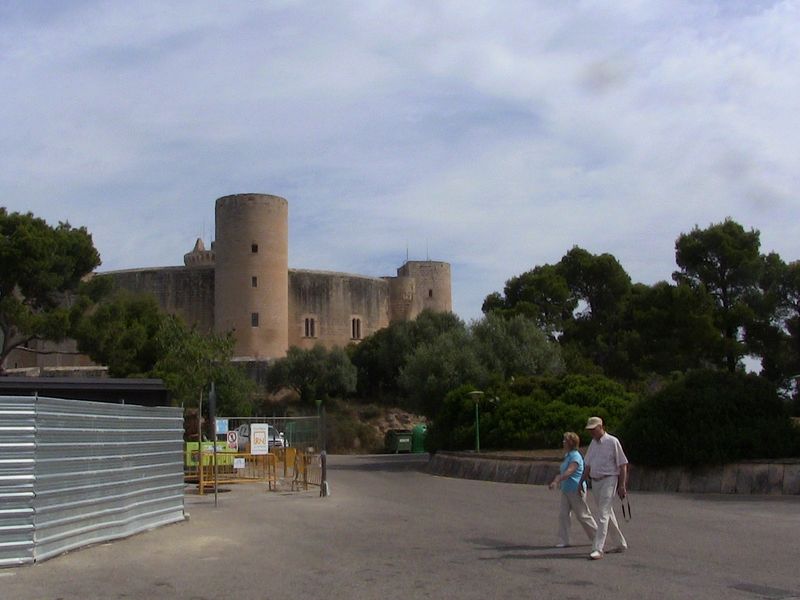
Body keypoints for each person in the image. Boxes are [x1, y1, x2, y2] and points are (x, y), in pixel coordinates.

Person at [581, 416, 629, 560]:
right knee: (607, 513)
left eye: (593, 429)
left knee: (602, 513)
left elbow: (623, 464)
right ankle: (620, 543)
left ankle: (598, 548)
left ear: (601, 427)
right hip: (596, 481)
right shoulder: (593, 444)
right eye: (590, 430)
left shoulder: (613, 441)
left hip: (609, 479)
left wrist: (622, 485)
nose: (591, 432)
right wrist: (581, 481)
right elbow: (588, 465)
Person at [548, 431, 597, 548]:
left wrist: (557, 480)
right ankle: (565, 540)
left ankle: (597, 537)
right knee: (563, 515)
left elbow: (570, 471)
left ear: (571, 443)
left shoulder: (575, 456)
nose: (563, 442)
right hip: (566, 489)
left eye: (565, 440)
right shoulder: (568, 456)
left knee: (582, 515)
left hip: (576, 489)